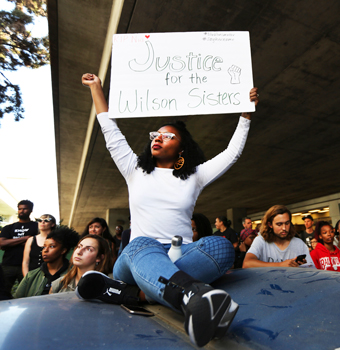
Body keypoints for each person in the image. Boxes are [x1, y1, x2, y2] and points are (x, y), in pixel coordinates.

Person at [78, 73, 258, 347]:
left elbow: (231, 154)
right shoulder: (134, 169)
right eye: (155, 135)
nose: (158, 138)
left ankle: (128, 292)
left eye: (167, 135)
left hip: (182, 254)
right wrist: (96, 88)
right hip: (136, 255)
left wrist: (245, 115)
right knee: (142, 243)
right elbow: (108, 128)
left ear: (181, 147)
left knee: (221, 248)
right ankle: (191, 297)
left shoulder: (195, 176)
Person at [15, 227, 79, 298]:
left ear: (63, 250)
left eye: (51, 246)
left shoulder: (73, 275)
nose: (45, 250)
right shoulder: (31, 275)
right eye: (44, 246)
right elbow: (17, 300)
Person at [243, 205, 314, 268]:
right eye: (279, 224)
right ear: (270, 224)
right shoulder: (261, 241)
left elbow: (311, 271)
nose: (284, 228)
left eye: (287, 223)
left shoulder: (299, 244)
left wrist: (301, 267)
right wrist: (281, 265)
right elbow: (246, 264)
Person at [0, 200, 38, 294]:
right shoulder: (9, 228)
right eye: (20, 209)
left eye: (25, 209)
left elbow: (36, 243)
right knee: (3, 291)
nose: (22, 211)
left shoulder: (36, 226)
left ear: (30, 210)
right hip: (8, 265)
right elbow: (2, 244)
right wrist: (26, 238)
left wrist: (11, 242)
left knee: (27, 292)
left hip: (28, 265)